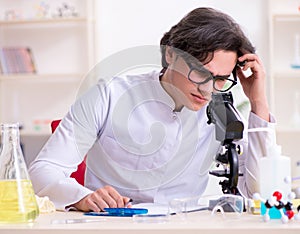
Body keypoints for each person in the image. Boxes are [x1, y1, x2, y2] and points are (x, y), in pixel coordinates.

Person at [29, 7, 275, 212]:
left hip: (188, 225)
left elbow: (259, 194)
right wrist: (81, 197)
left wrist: (259, 103)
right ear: (170, 55)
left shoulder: (221, 111)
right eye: (201, 72)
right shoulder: (109, 96)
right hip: (111, 223)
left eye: (220, 79)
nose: (208, 90)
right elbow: (42, 171)